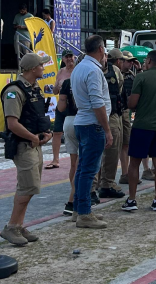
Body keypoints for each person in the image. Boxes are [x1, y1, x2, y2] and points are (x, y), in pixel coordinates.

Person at [0, 53, 53, 246]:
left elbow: (35, 117)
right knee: (26, 187)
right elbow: (12, 123)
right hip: (23, 145)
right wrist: (33, 138)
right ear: (32, 69)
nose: (44, 68)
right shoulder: (14, 91)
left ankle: (19, 225)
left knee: (30, 188)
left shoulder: (33, 89)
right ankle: (12, 227)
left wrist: (45, 134)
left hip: (33, 144)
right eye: (41, 65)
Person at [123, 49, 156, 212]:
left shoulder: (141, 77)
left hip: (142, 125)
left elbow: (132, 104)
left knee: (135, 163)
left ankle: (132, 200)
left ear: (148, 61)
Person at [70, 35, 112, 229]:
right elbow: (97, 103)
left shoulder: (79, 67)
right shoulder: (93, 70)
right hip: (92, 123)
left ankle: (79, 208)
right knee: (88, 170)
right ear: (101, 49)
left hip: (82, 122)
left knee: (82, 169)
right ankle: (84, 213)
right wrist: (107, 129)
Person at [97, 49, 126, 199]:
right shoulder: (91, 69)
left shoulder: (114, 70)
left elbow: (119, 90)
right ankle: (102, 184)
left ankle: (107, 182)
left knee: (113, 150)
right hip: (96, 115)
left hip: (113, 114)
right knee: (95, 151)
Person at [47, 50, 77, 170]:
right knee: (57, 132)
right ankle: (55, 159)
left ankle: (75, 158)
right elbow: (55, 91)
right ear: (63, 59)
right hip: (61, 105)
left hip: (73, 106)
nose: (69, 59)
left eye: (71, 57)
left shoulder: (77, 70)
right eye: (67, 57)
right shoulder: (61, 72)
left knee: (74, 132)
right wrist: (57, 87)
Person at [57, 73, 79, 215]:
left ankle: (74, 194)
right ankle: (73, 199)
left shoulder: (67, 82)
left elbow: (61, 107)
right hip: (83, 119)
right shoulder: (90, 77)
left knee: (73, 164)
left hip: (68, 121)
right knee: (83, 164)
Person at [118, 51, 137, 186]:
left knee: (126, 143)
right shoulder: (111, 73)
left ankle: (125, 173)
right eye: (128, 61)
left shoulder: (131, 76)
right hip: (113, 111)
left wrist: (140, 69)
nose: (131, 63)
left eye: (132, 61)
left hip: (125, 111)